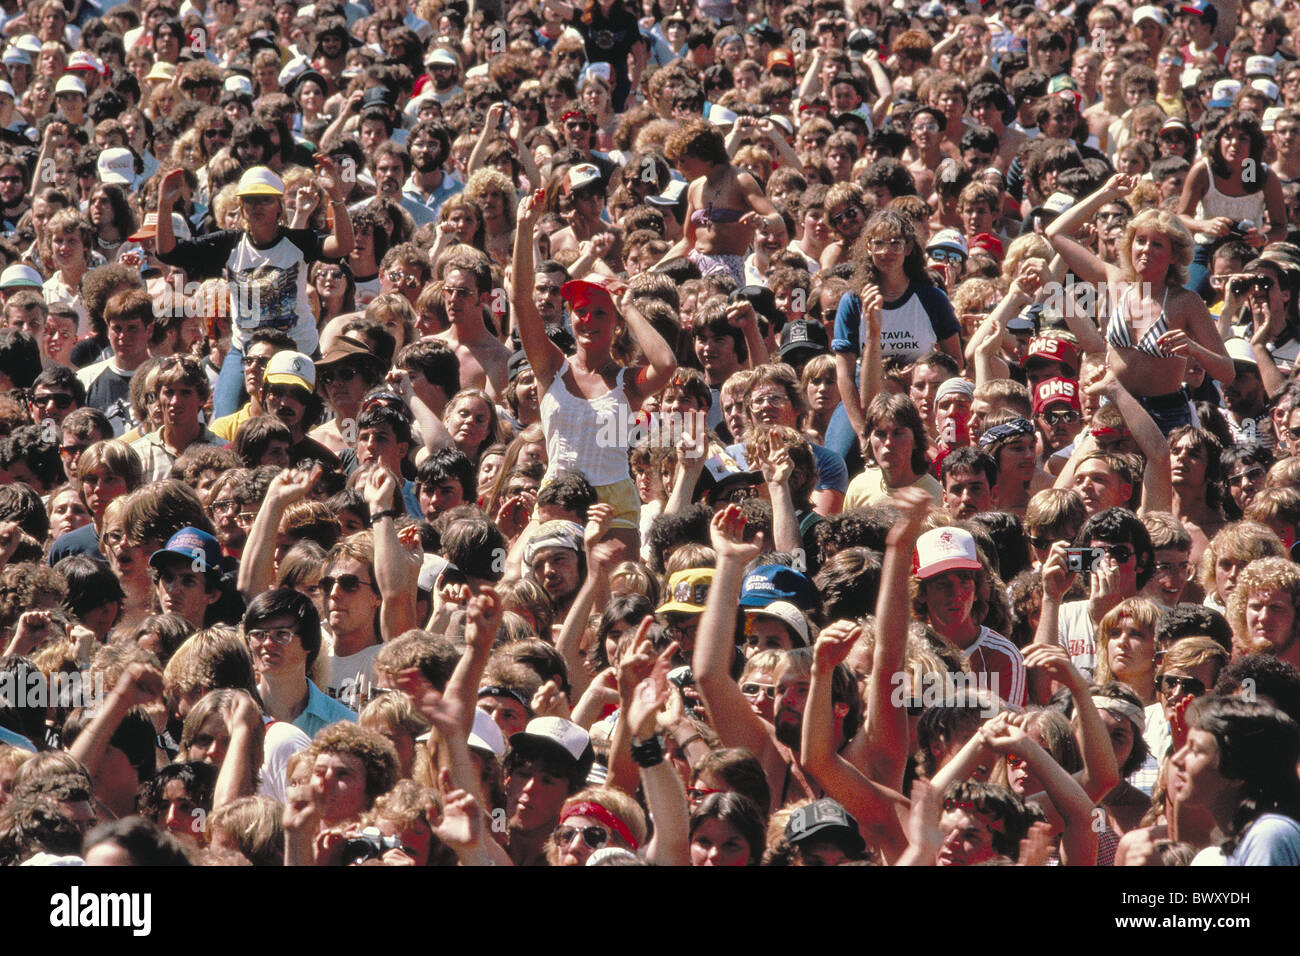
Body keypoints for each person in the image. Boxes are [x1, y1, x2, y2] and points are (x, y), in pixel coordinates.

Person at [155, 163, 354, 419]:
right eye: (249, 200)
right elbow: (168, 252)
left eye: (265, 200)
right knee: (224, 419)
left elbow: (342, 246)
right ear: (241, 207)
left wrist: (336, 197)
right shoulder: (228, 243)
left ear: (279, 206)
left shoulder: (296, 240)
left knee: (309, 421)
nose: (256, 206)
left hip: (298, 348)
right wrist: (163, 205)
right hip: (247, 351)